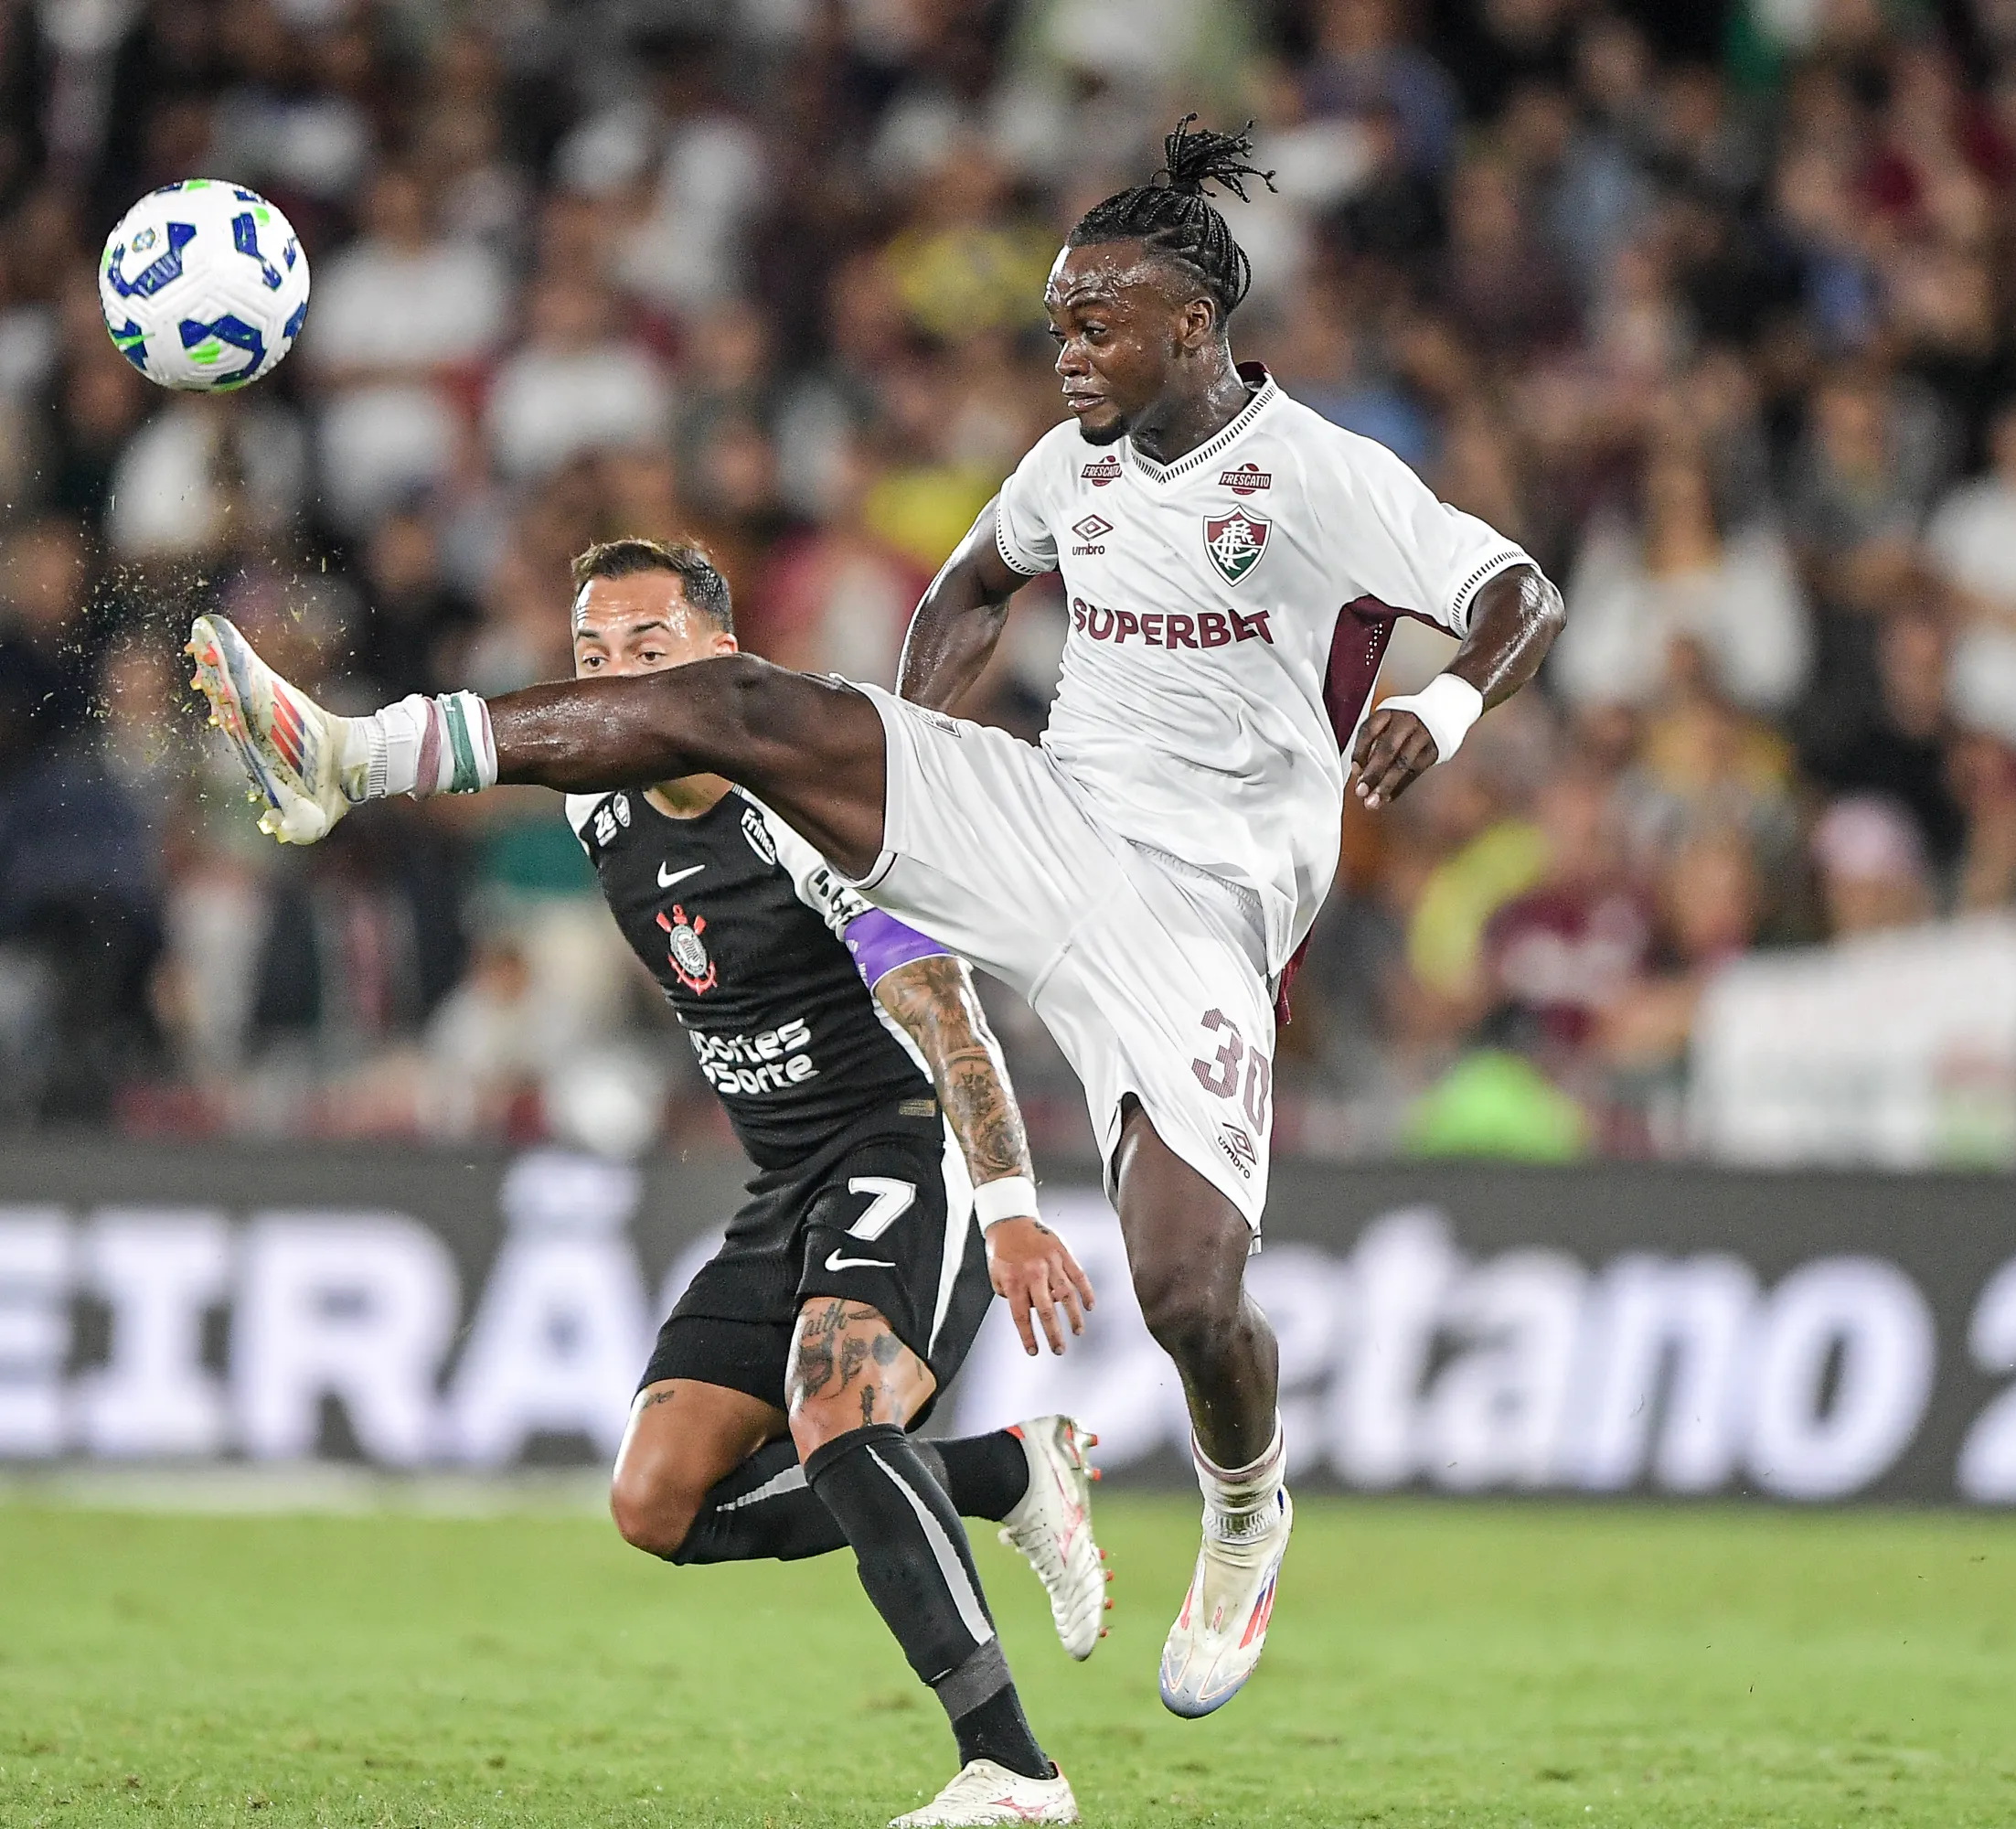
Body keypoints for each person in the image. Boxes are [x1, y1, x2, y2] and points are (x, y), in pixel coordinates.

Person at [187, 117, 1566, 1754]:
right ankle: (354, 754)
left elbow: (1519, 594)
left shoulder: (1322, 476)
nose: (1065, 353)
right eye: (1054, 324)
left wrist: (1445, 708)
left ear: (1195, 325)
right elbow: (974, 589)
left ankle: (1248, 1505)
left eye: (1095, 324)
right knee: (743, 704)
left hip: (1207, 907)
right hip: (1055, 819)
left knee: (1191, 1296)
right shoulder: (1072, 467)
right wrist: (894, 779)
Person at [583, 538, 1111, 1826]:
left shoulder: (812, 810)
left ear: (723, 658)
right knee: (656, 1503)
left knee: (837, 1414)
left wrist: (1011, 1210)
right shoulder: (595, 801)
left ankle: (1013, 1770)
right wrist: (331, 762)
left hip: (903, 1142)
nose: (619, 681)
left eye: (650, 650)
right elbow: (468, 747)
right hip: (786, 1180)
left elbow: (944, 1010)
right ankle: (1006, 1476)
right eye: (593, 659)